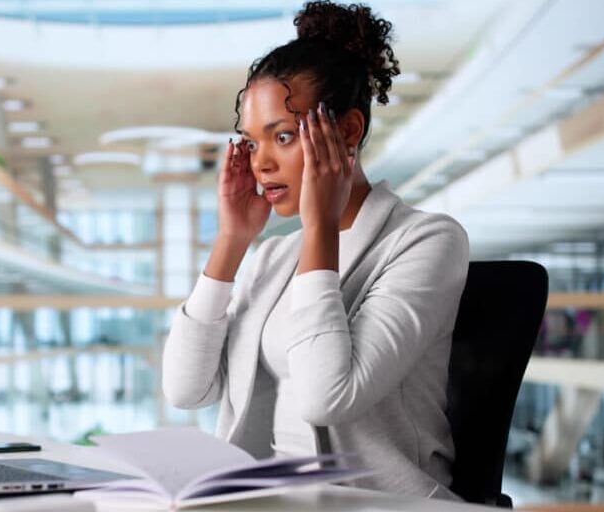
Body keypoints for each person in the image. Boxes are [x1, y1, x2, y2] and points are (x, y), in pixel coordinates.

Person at [161, 1, 469, 500]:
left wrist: (320, 225)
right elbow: (186, 390)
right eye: (252, 142)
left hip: (380, 504)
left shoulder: (427, 241)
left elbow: (326, 396)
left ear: (347, 131)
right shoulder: (273, 259)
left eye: (282, 136)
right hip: (271, 497)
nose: (260, 164)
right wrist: (231, 242)